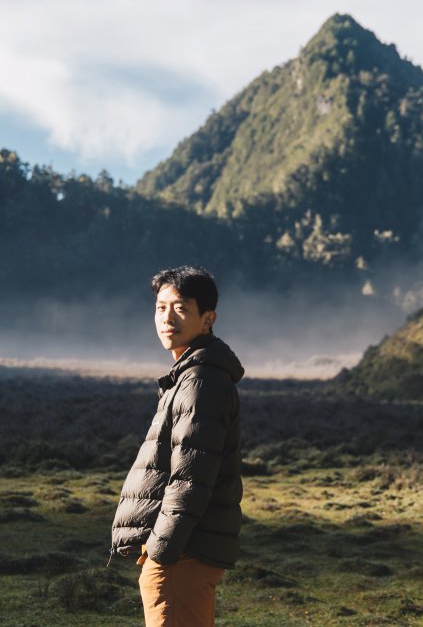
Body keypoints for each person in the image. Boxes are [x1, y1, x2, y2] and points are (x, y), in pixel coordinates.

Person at [110, 265, 244, 626]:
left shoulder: (200, 381)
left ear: (207, 318)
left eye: (181, 308)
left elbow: (191, 477)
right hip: (186, 549)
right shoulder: (191, 375)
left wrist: (162, 552)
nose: (167, 318)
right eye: (160, 307)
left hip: (183, 552)